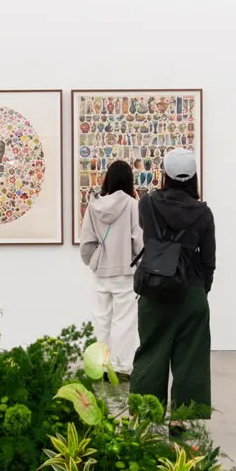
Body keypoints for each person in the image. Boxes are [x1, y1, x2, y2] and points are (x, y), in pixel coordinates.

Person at [131, 148, 216, 427]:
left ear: (164, 174)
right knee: (191, 357)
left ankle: (145, 417)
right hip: (191, 291)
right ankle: (181, 421)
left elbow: (151, 235)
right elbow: (208, 260)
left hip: (154, 287)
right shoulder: (203, 212)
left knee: (151, 351)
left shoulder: (147, 204)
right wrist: (201, 289)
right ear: (193, 177)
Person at [78, 161, 143, 376]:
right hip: (126, 271)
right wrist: (136, 260)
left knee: (101, 319)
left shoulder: (93, 206)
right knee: (124, 320)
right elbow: (139, 240)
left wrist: (94, 261)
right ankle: (122, 367)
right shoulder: (133, 205)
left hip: (101, 272)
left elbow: (87, 242)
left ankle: (98, 366)